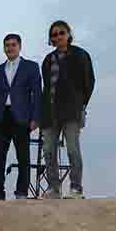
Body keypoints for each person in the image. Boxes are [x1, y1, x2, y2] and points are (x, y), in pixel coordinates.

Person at [40, 20, 95, 199]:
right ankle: (54, 188)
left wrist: (80, 104)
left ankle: (76, 188)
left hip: (71, 111)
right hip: (50, 112)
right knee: (48, 150)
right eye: (54, 34)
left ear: (68, 34)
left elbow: (89, 82)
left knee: (72, 149)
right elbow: (46, 86)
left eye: (61, 33)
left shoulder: (80, 55)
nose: (58, 37)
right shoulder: (48, 60)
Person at [0, 33, 42, 200]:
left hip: (21, 117)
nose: (10, 48)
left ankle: (21, 192)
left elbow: (37, 94)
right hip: (1, 116)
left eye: (13, 45)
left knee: (23, 156)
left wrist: (36, 118)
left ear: (19, 46)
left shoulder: (31, 67)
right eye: (7, 45)